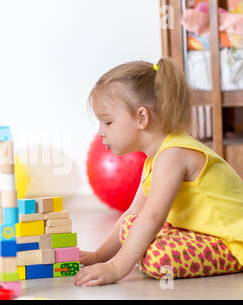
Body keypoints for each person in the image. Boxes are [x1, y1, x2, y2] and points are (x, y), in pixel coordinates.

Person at [75, 57, 243, 287]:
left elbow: (154, 216)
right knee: (130, 224)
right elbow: (133, 213)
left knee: (159, 258)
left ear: (142, 117)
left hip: (233, 242)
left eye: (108, 122)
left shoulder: (173, 154)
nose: (101, 132)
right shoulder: (154, 160)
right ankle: (137, 252)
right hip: (205, 235)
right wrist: (99, 256)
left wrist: (116, 267)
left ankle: (138, 254)